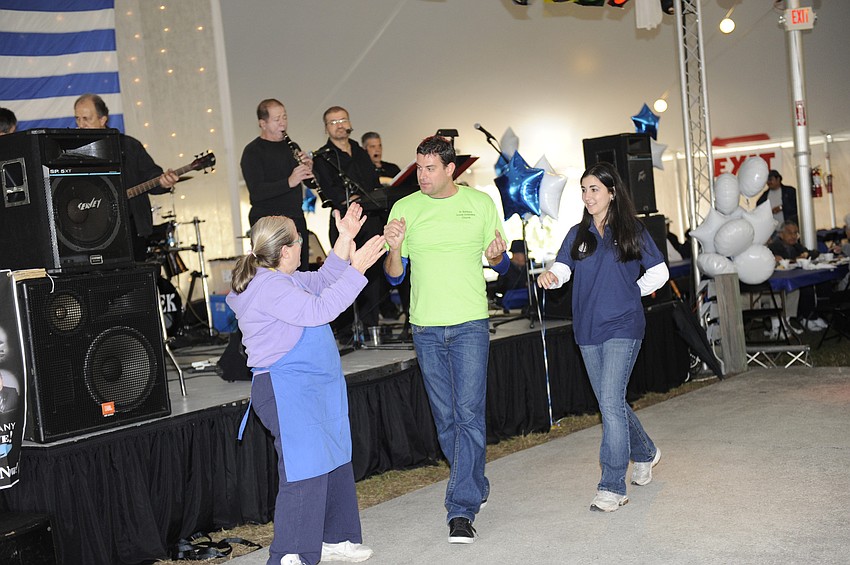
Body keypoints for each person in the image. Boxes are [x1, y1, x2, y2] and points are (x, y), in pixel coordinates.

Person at [226, 203, 384, 565]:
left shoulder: (285, 278)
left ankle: (336, 537)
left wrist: (345, 238)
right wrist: (358, 268)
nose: (304, 244)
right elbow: (321, 309)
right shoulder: (267, 288)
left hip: (313, 387)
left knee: (334, 458)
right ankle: (290, 552)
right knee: (304, 469)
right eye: (299, 240)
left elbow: (327, 279)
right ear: (285, 251)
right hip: (286, 389)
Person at [383, 135, 509, 543]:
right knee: (446, 419)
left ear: (451, 169)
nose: (421, 175)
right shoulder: (404, 207)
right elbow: (393, 276)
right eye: (419, 167)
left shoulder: (480, 204)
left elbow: (502, 263)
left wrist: (497, 257)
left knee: (469, 414)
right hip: (425, 328)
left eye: (430, 168)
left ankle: (461, 509)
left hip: (471, 323)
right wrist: (395, 247)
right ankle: (476, 483)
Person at [537, 161, 668, 513]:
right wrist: (552, 277)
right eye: (583, 189)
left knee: (609, 402)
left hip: (624, 326)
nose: (587, 195)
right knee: (612, 404)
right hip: (587, 329)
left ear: (612, 193)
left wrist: (630, 291)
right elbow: (563, 269)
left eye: (594, 189)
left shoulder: (631, 230)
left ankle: (612, 485)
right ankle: (645, 451)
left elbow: (659, 272)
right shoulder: (577, 235)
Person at [74, 93, 179, 261]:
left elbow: (151, 175)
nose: (81, 124)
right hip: (91, 234)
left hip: (131, 231)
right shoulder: (73, 153)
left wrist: (164, 183)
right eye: (77, 119)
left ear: (103, 120)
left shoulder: (129, 146)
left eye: (86, 119)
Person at [313, 107, 383, 337]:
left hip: (369, 218)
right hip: (344, 223)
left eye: (343, 120)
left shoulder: (361, 153)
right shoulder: (323, 157)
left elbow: (373, 184)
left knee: (373, 273)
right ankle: (346, 331)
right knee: (344, 274)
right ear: (326, 128)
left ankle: (373, 326)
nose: (339, 125)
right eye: (333, 122)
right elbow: (329, 191)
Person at [240, 98, 315, 271]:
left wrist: (310, 169)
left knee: (300, 272)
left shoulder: (292, 146)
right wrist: (289, 181)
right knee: (272, 273)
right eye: (277, 119)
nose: (283, 123)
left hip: (295, 219)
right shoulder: (252, 151)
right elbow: (256, 192)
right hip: (268, 224)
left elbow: (309, 183)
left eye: (285, 117)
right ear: (262, 123)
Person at [768, 220, 828, 332]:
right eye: (790, 233)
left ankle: (808, 317)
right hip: (777, 283)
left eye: (796, 233)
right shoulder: (774, 247)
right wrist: (795, 260)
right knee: (803, 287)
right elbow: (779, 260)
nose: (794, 236)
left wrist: (806, 254)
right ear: (781, 234)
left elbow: (814, 253)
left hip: (794, 279)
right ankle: (802, 318)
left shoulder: (796, 246)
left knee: (810, 284)